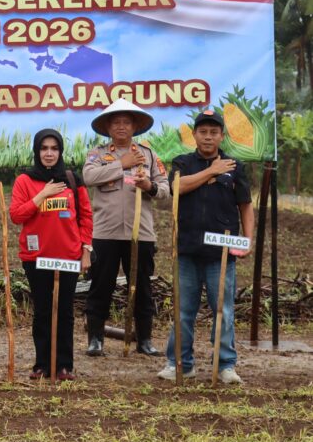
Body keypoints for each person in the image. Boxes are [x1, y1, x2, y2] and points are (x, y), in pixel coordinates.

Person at [158, 110, 253, 383]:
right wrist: (211, 171)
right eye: (203, 132)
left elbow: (245, 205)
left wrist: (247, 239)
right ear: (195, 135)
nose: (208, 137)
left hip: (221, 252)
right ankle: (180, 363)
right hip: (187, 248)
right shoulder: (183, 162)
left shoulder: (235, 167)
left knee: (223, 309)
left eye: (214, 132)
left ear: (221, 136)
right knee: (183, 309)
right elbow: (177, 186)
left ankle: (225, 365)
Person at [83, 98, 169, 357]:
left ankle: (145, 339)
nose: (121, 127)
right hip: (105, 233)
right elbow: (89, 178)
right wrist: (122, 164)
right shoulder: (96, 154)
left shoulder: (150, 155)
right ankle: (95, 339)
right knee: (101, 286)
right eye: (116, 122)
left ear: (134, 127)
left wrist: (149, 187)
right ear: (108, 127)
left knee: (142, 287)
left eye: (126, 122)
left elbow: (165, 189)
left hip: (140, 233)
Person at [10, 129, 93, 380]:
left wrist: (86, 251)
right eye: (44, 148)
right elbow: (16, 216)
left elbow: (86, 216)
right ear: (37, 151)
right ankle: (43, 364)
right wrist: (41, 195)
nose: (49, 153)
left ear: (60, 152)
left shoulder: (72, 179)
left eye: (54, 148)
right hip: (36, 257)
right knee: (43, 311)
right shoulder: (25, 180)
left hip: (68, 255)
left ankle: (64, 365)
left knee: (65, 312)